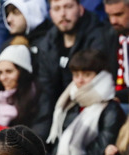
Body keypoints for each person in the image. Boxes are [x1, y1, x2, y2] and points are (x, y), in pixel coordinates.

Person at [46, 49, 124, 155]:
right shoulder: (72, 103)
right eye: (76, 75)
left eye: (87, 75)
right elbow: (59, 143)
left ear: (100, 76)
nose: (80, 80)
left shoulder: (111, 108)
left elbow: (100, 153)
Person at [36, 0, 114, 139]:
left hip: (89, 114)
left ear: (81, 9)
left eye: (68, 7)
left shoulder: (99, 37)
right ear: (50, 14)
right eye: (57, 9)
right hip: (59, 115)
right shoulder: (46, 45)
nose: (63, 14)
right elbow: (46, 95)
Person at [0, 44, 39, 130]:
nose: (3, 78)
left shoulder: (34, 100)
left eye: (9, 71)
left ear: (22, 72)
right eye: (0, 72)